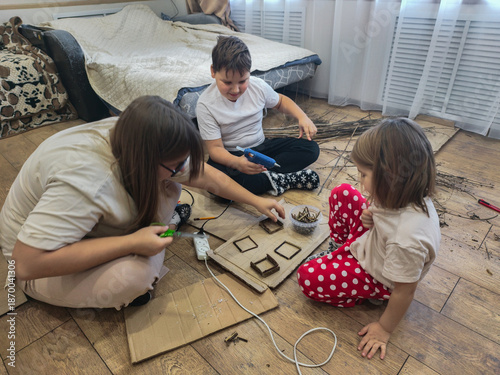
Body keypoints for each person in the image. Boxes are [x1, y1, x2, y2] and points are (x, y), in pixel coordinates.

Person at [0, 96, 285, 310]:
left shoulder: (136, 135)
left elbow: (204, 176)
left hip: (74, 227)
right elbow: (26, 264)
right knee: (134, 279)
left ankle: (155, 231)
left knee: (169, 185)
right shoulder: (86, 181)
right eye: (176, 164)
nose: (183, 170)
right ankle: (157, 233)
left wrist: (256, 201)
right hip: (32, 264)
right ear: (147, 159)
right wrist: (132, 244)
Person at [296, 118, 440, 360]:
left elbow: (405, 291)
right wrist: (373, 215)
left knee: (307, 278)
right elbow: (387, 215)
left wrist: (384, 328)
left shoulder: (406, 240)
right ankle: (339, 250)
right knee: (342, 192)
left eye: (363, 174)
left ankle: (366, 295)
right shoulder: (403, 192)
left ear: (390, 178)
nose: (360, 180)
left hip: (381, 276)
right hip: (375, 243)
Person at [196, 35, 321, 196]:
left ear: (249, 72)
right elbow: (215, 149)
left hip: (262, 147)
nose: (235, 90)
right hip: (232, 155)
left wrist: (302, 117)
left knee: (311, 149)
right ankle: (280, 178)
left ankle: (265, 179)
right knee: (212, 183)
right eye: (227, 83)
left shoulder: (257, 86)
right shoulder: (205, 104)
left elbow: (281, 101)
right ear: (213, 71)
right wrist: (238, 163)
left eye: (242, 81)